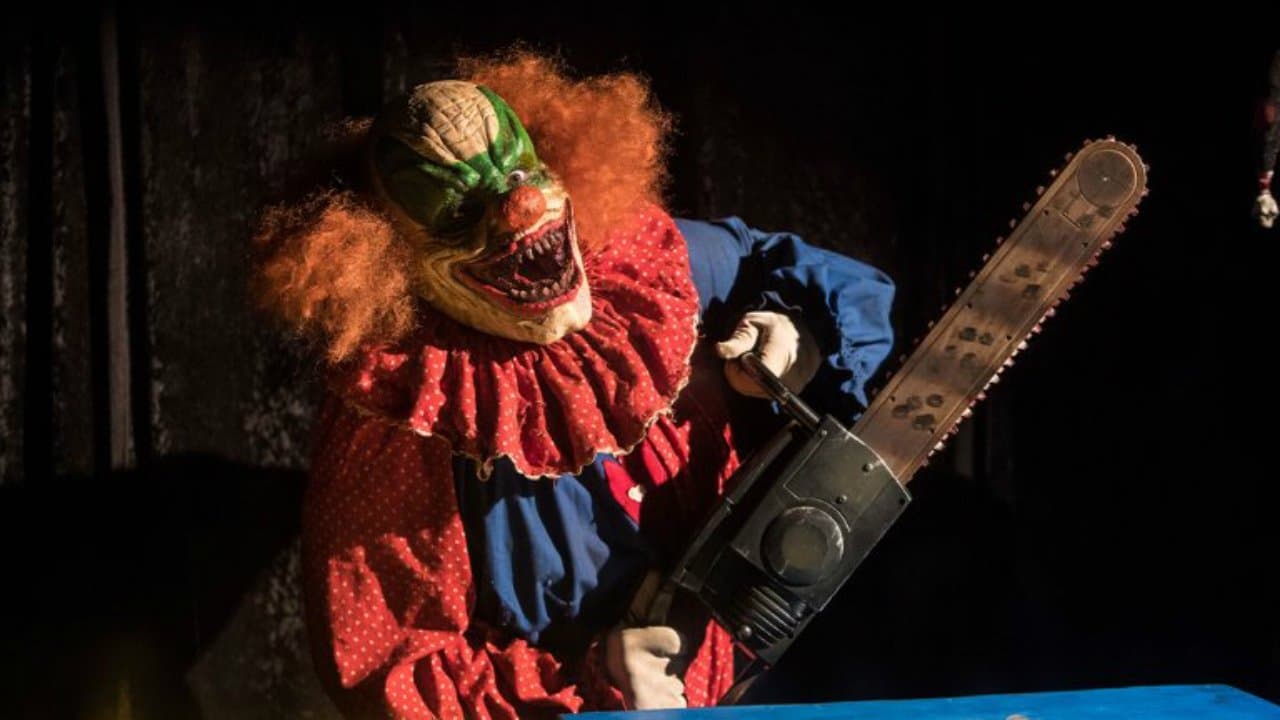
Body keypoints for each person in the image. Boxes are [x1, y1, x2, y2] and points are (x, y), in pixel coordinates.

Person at [256, 52, 894, 718]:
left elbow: (819, 282)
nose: (519, 207)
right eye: (460, 211)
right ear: (396, 257)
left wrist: (800, 336)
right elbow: (391, 670)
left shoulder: (645, 264)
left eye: (519, 173)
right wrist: (591, 689)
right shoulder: (403, 415)